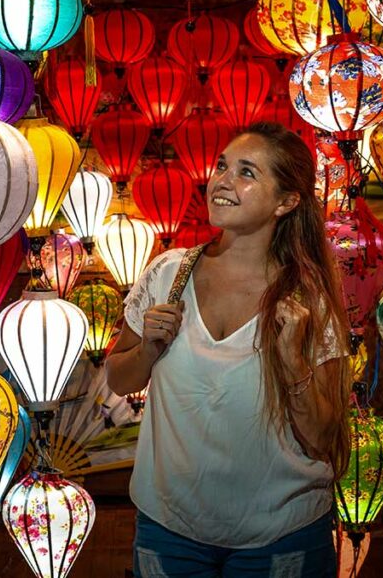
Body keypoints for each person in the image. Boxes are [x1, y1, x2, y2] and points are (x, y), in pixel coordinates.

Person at [106, 123, 352, 578]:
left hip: (281, 532)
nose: (222, 180)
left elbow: (323, 439)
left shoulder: (306, 298)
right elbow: (119, 379)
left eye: (246, 172)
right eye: (221, 166)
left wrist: (294, 361)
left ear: (286, 201)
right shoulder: (167, 273)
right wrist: (148, 351)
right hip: (170, 526)